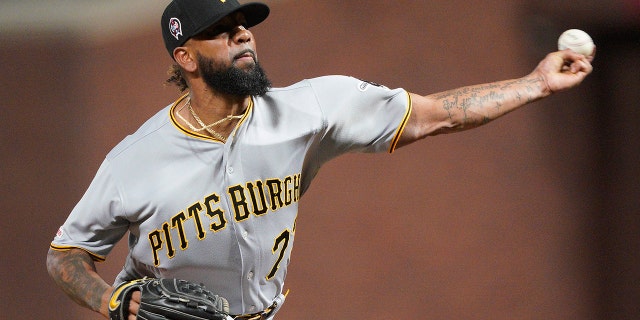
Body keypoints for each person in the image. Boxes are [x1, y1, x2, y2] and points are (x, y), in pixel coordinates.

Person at [46, 0, 594, 319]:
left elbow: (435, 114)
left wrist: (535, 84)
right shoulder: (135, 160)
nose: (242, 33)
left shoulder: (310, 107)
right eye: (220, 29)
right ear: (185, 57)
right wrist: (118, 302)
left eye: (244, 23)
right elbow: (66, 254)